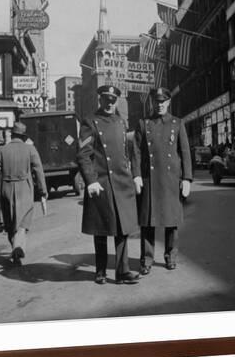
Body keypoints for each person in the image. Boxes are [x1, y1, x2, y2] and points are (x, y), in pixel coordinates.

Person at [77, 85, 140, 285]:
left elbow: (127, 152)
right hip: (101, 182)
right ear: (100, 100)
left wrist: (134, 175)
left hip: (122, 182)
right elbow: (83, 154)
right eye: (106, 99)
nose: (110, 103)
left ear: (116, 101)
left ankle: (123, 272)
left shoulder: (121, 122)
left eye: (113, 100)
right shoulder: (90, 122)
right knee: (102, 228)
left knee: (123, 228)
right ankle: (101, 270)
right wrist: (91, 180)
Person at [132, 87, 192, 274]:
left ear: (168, 102)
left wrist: (187, 178)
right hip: (150, 179)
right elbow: (136, 151)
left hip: (171, 179)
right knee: (148, 222)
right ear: (152, 102)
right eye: (156, 102)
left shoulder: (177, 123)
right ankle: (147, 259)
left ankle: (170, 256)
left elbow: (185, 152)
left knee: (171, 221)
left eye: (163, 101)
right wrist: (137, 175)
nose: (159, 105)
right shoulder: (144, 123)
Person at [0, 123, 48, 265]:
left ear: (13, 135)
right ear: (23, 136)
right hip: (25, 188)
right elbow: (38, 170)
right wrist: (43, 191)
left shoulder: (1, 151)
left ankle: (15, 251)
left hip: (6, 188)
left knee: (10, 222)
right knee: (23, 222)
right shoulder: (30, 149)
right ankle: (18, 247)